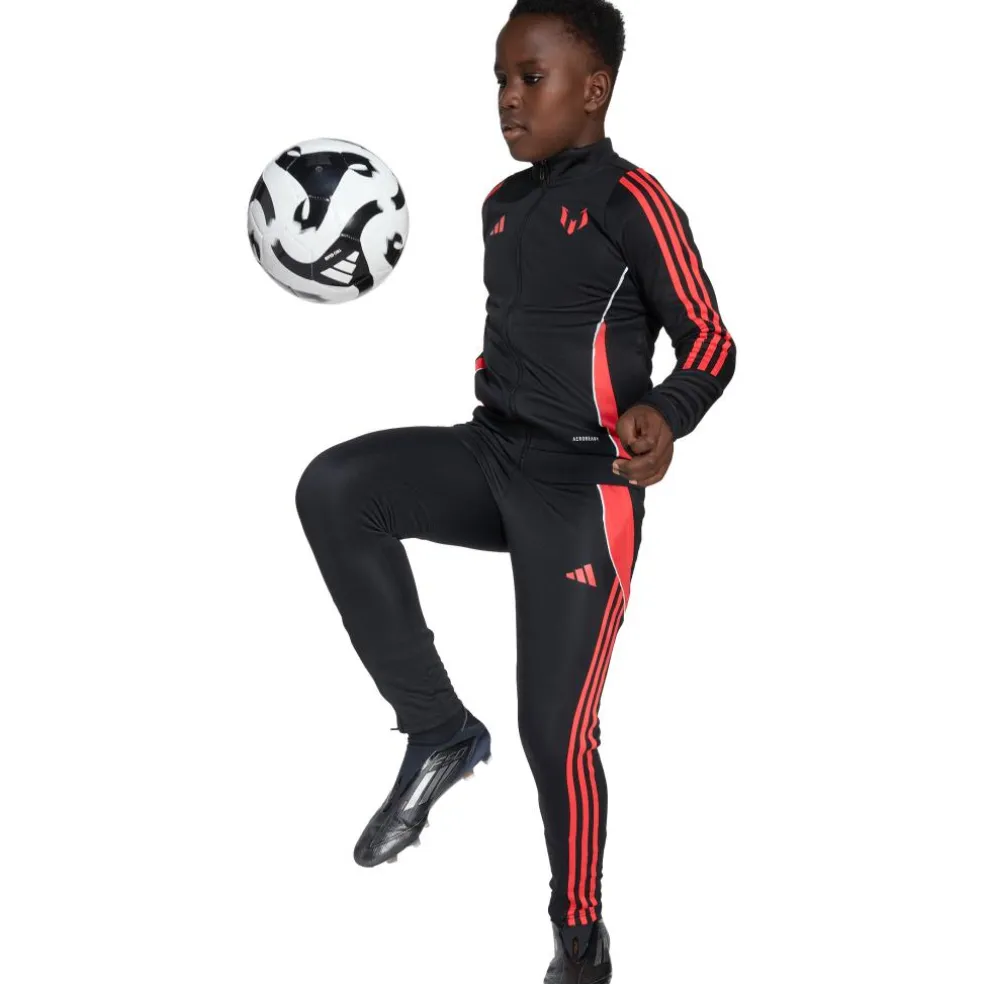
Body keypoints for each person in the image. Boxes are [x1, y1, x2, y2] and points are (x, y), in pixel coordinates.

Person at [295, 0, 736, 979]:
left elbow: (709, 340)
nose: (507, 98)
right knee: (336, 489)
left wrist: (666, 415)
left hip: (585, 489)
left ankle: (579, 941)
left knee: (555, 730)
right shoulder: (500, 203)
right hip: (492, 454)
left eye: (530, 78)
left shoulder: (634, 199)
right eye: (499, 79)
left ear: (594, 89)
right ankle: (439, 731)